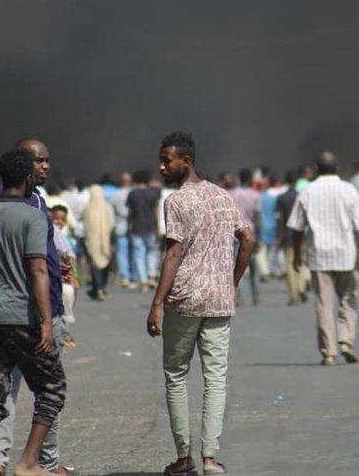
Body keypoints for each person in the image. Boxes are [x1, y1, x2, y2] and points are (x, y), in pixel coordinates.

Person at [145, 132, 255, 476]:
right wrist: (232, 281)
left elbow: (174, 252)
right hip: (219, 302)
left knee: (176, 375)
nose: (162, 166)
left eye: (167, 160)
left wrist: (157, 303)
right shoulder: (223, 196)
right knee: (215, 378)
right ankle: (210, 458)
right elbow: (248, 238)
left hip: (185, 299)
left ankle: (184, 458)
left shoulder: (176, 202)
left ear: (186, 161)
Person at [0, 150, 66, 476]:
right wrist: (46, 321)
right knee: (52, 388)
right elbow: (37, 268)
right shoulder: (33, 217)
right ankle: (29, 462)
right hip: (22, 319)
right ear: (28, 178)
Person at [0, 138, 70, 476]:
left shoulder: (39, 201)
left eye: (47, 160)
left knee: (36, 390)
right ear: (22, 164)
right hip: (26, 313)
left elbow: (43, 255)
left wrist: (59, 266)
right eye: (39, 161)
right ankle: (5, 460)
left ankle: (39, 462)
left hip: (41, 306)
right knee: (27, 389)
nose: (46, 166)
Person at [288, 152, 359, 366]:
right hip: (345, 254)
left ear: (316, 169)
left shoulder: (307, 191)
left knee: (324, 303)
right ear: (337, 168)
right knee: (348, 298)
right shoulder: (348, 190)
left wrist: (297, 253)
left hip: (319, 255)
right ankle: (346, 341)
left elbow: (296, 228)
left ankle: (329, 352)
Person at [229, 168, 261, 305]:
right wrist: (259, 238)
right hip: (251, 234)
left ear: (239, 178)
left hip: (235, 235)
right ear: (250, 179)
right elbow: (258, 218)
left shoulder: (231, 194)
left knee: (237, 266)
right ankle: (256, 296)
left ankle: (239, 296)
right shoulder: (255, 195)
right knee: (254, 268)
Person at [127, 170, 161, 292]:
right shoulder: (153, 193)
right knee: (152, 251)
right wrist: (158, 228)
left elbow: (130, 213)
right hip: (150, 226)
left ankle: (143, 281)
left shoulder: (132, 194)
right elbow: (156, 212)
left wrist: (128, 226)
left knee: (138, 253)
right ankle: (152, 275)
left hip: (136, 227)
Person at [277, 170, 307, 305]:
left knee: (290, 265)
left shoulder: (282, 197)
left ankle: (293, 294)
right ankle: (302, 287)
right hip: (301, 234)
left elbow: (281, 218)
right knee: (301, 262)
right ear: (296, 181)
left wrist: (279, 235)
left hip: (288, 235)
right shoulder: (302, 196)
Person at [50, 205, 79, 347]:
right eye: (56, 219)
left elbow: (69, 257)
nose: (59, 222)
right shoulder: (53, 232)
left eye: (62, 219)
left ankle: (64, 329)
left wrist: (71, 274)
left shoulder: (62, 235)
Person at [82, 185, 115, 301]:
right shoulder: (108, 207)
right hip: (106, 239)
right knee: (105, 262)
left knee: (94, 263)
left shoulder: (87, 208)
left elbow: (84, 225)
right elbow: (112, 224)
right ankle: (102, 286)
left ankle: (98, 287)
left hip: (92, 241)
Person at [110, 172, 134, 289]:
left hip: (120, 225)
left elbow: (112, 210)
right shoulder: (133, 192)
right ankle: (134, 275)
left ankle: (125, 277)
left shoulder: (116, 194)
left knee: (122, 253)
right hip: (133, 226)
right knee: (134, 251)